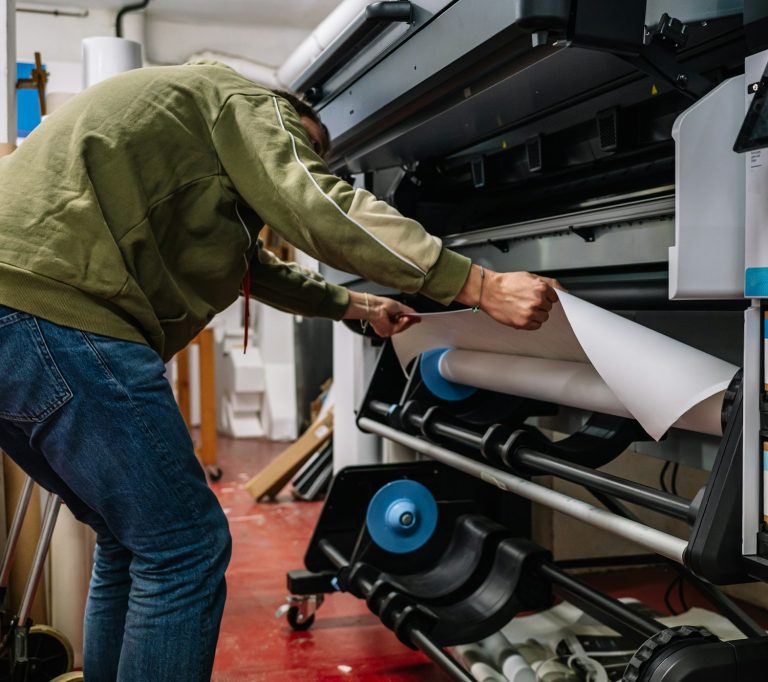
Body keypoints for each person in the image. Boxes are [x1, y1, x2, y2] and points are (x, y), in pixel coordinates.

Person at [0, 60, 558, 681]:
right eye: (308, 151)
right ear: (293, 120)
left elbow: (254, 269)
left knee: (130, 540)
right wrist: (479, 284)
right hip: (55, 312)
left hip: (17, 318)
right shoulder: (245, 102)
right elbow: (312, 199)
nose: (303, 160)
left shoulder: (188, 137)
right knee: (185, 548)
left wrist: (360, 305)